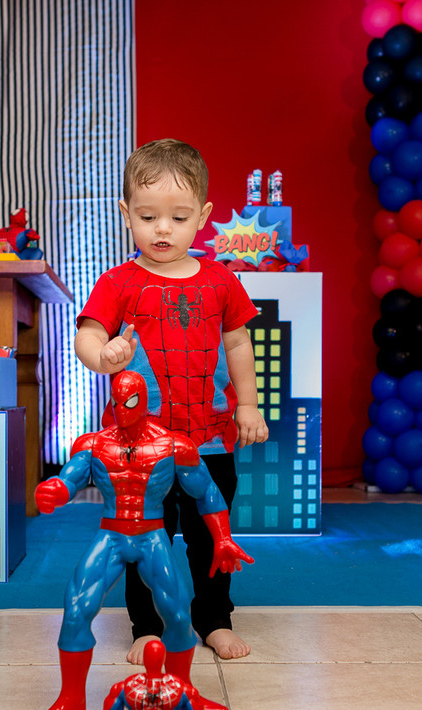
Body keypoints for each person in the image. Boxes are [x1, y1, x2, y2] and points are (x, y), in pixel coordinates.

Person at [74, 138, 268, 663]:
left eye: (178, 217)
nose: (163, 229)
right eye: (148, 216)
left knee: (212, 534)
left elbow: (238, 343)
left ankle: (214, 618)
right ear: (126, 214)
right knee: (142, 535)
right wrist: (103, 354)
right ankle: (146, 625)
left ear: (202, 216)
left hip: (208, 439)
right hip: (143, 448)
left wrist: (248, 406)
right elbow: (87, 336)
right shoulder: (118, 283)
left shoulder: (222, 281)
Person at [22, 371, 252, 710]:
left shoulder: (173, 446)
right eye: (117, 400)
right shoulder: (94, 445)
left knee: (177, 616)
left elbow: (206, 492)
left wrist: (222, 537)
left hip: (151, 535)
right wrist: (53, 490)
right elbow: (69, 479)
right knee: (76, 609)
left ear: (145, 400)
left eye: (130, 400)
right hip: (111, 536)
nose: (123, 408)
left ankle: (183, 692)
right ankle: (70, 704)